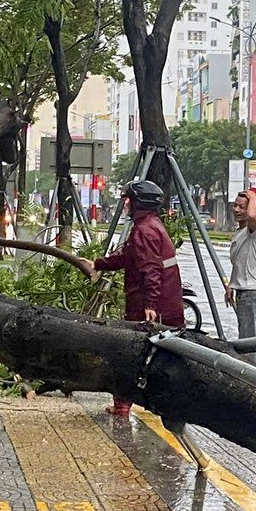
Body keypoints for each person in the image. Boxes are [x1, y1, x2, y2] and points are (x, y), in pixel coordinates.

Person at [91, 179, 184, 420]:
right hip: (158, 303)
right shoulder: (151, 226)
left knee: (131, 355)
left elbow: (151, 269)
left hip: (149, 306)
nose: (125, 205)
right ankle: (124, 403)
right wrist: (97, 264)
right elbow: (128, 257)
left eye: (128, 200)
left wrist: (150, 305)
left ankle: (124, 404)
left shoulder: (145, 230)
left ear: (137, 203)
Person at [224, 189, 256, 367]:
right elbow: (239, 263)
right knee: (253, 337)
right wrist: (231, 286)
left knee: (247, 342)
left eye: (241, 207)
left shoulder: (254, 230)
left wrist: (253, 198)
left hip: (251, 292)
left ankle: (250, 378)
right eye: (235, 205)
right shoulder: (240, 232)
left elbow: (251, 216)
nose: (236, 209)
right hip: (243, 291)